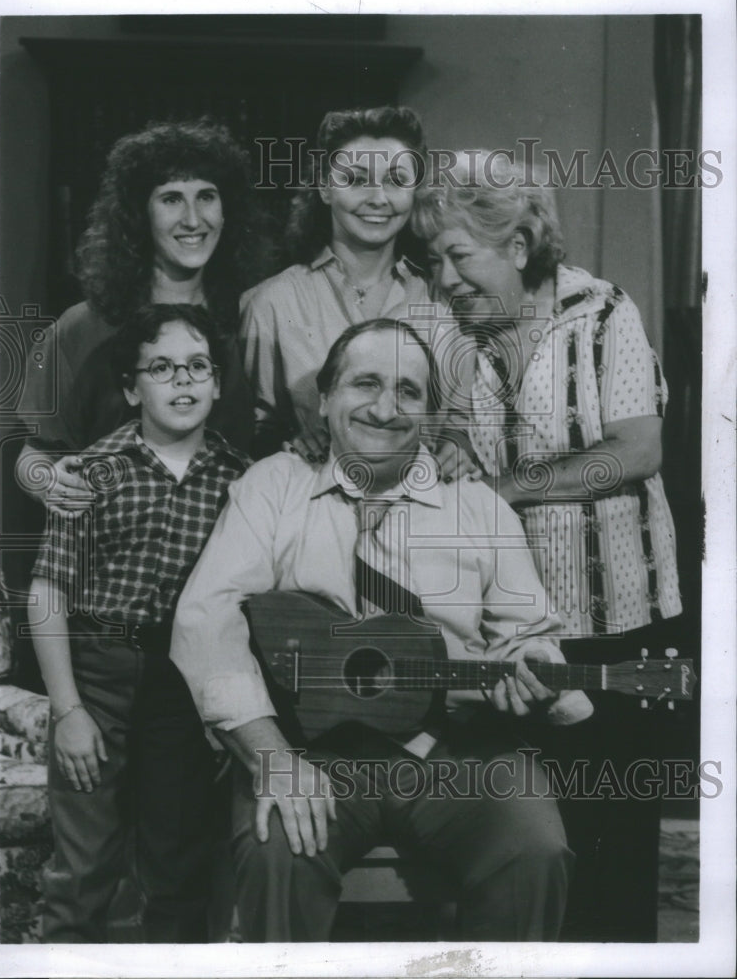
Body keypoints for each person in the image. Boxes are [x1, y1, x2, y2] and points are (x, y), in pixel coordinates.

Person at [171, 317, 593, 943]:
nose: (386, 407)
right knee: (276, 849)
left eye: (409, 391)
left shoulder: (477, 505)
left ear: (429, 413)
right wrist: (272, 758)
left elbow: (526, 632)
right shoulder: (273, 489)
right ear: (326, 398)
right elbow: (204, 619)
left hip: (457, 750)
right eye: (365, 383)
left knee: (536, 849)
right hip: (310, 749)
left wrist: (532, 667)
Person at [411, 150, 684, 941]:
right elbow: (451, 435)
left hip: (624, 620)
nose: (446, 278)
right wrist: (454, 444)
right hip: (518, 635)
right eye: (435, 261)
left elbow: (635, 451)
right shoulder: (449, 330)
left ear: (519, 245)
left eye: (458, 254)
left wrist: (512, 487)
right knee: (543, 846)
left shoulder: (603, 313)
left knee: (616, 847)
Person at [27, 303, 250, 942]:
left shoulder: (239, 479)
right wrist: (67, 709)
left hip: (186, 682)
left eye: (197, 367)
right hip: (99, 676)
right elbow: (48, 589)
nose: (182, 382)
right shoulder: (94, 471)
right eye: (161, 368)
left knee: (178, 865)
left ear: (215, 382)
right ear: (132, 388)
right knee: (84, 866)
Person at [16, 117, 268, 510]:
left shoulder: (251, 317)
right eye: (171, 198)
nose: (192, 219)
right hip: (112, 548)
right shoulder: (80, 327)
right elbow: (34, 453)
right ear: (139, 214)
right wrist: (49, 482)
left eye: (206, 196)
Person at [239, 105, 474, 478]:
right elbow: (251, 431)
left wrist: (458, 445)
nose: (378, 197)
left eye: (397, 180)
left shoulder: (445, 299)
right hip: (311, 510)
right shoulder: (270, 302)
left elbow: (463, 422)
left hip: (422, 515)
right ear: (325, 188)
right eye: (357, 179)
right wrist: (287, 441)